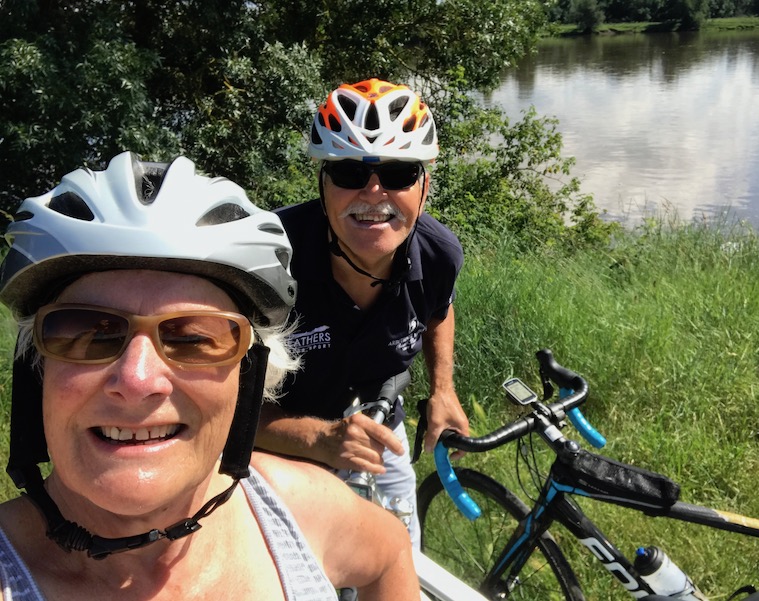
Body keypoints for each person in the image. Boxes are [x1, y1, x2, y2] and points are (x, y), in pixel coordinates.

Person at [0, 152, 418, 600]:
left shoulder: (301, 508)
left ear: (249, 376)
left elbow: (391, 551)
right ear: (37, 370)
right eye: (89, 334)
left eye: (193, 339)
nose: (138, 381)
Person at [255, 78, 470, 547]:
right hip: (273, 450)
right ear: (323, 185)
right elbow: (218, 405)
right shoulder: (267, 260)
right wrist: (320, 440)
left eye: (398, 174)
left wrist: (443, 389)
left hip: (377, 431)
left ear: (424, 187)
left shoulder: (438, 255)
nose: (373, 193)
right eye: (350, 172)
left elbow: (438, 310)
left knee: (398, 554)